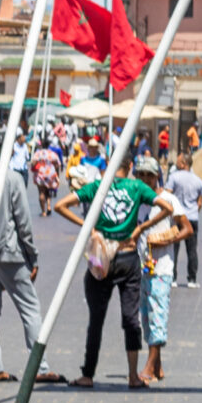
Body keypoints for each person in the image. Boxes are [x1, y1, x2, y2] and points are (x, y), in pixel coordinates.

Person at [57, 157, 160, 389]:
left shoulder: (98, 186)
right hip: (128, 256)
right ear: (130, 167)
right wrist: (140, 228)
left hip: (100, 259)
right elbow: (168, 207)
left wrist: (87, 226)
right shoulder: (137, 187)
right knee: (130, 319)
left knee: (96, 319)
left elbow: (60, 205)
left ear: (108, 167)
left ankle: (88, 374)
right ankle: (134, 376)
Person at [0, 133, 49, 384]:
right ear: (11, 151)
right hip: (10, 252)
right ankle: (40, 367)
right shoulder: (14, 179)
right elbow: (23, 223)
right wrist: (32, 258)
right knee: (30, 308)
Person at [135, 178, 193, 384]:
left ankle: (150, 367)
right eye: (139, 174)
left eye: (146, 175)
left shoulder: (168, 199)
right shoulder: (139, 199)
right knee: (146, 317)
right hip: (143, 267)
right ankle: (158, 366)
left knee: (157, 315)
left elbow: (187, 229)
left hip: (162, 269)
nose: (142, 178)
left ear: (155, 177)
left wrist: (166, 240)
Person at [166, 156, 202, 287]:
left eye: (178, 161)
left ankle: (173, 278)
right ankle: (192, 279)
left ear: (183, 163)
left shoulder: (174, 177)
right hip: (192, 218)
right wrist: (193, 210)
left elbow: (167, 195)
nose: (176, 163)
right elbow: (200, 202)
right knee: (192, 250)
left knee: (174, 248)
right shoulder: (198, 180)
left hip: (177, 217)